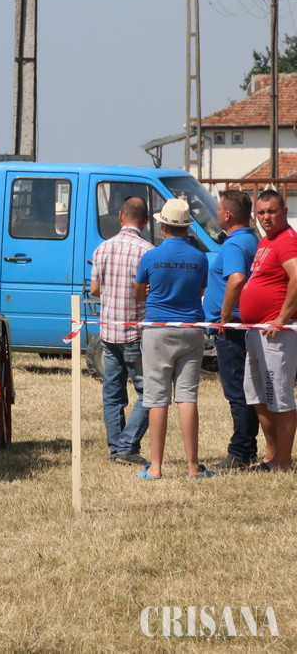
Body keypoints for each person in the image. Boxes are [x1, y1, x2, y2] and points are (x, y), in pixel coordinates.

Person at [134, 198, 210, 479]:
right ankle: (193, 467)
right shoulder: (200, 258)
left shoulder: (150, 256)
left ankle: (155, 467)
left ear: (163, 226)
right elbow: (200, 290)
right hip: (191, 328)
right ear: (186, 227)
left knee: (157, 397)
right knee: (187, 396)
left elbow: (139, 293)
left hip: (158, 329)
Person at [89, 197, 154, 466]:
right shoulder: (147, 251)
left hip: (108, 330)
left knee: (112, 393)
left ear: (120, 216)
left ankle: (116, 448)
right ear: (146, 221)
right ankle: (127, 446)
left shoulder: (102, 248)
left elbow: (94, 289)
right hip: (135, 331)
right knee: (149, 392)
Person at [238, 189, 297, 473]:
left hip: (277, 334)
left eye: (271, 211)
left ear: (284, 211)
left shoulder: (287, 240)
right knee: (258, 396)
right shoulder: (265, 241)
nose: (266, 217)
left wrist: (282, 317)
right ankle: (272, 456)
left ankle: (283, 462)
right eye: (260, 213)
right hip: (256, 331)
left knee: (279, 397)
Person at [204, 190, 260, 470]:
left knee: (237, 391)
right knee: (248, 390)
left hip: (233, 328)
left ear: (227, 214)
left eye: (218, 209)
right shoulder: (252, 239)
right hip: (244, 326)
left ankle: (240, 451)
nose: (216, 213)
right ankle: (247, 448)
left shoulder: (235, 244)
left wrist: (223, 318)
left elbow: (236, 279)